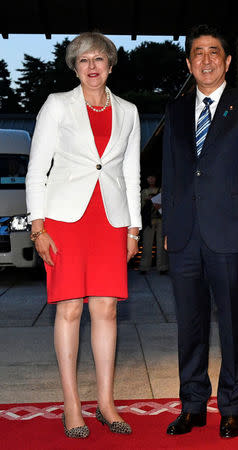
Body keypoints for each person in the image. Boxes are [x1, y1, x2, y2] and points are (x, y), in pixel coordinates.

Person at [26, 32, 141, 439]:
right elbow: (36, 169)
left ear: (110, 65)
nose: (92, 67)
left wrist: (133, 227)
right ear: (75, 68)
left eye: (99, 59)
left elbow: (130, 174)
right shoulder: (57, 105)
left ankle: (106, 403)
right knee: (70, 309)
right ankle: (71, 404)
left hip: (110, 221)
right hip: (65, 222)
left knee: (106, 310)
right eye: (83, 60)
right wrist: (37, 226)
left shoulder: (128, 111)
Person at [162, 24, 238, 439]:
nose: (205, 59)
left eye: (213, 52)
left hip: (232, 232)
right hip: (185, 234)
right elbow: (172, 175)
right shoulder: (174, 111)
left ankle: (231, 406)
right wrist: (170, 225)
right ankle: (192, 405)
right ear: (189, 63)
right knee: (189, 325)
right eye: (197, 53)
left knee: (231, 324)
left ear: (226, 61)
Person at [139, 174, 168, 274]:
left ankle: (162, 267)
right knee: (147, 244)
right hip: (148, 220)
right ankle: (144, 267)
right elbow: (140, 206)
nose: (151, 179)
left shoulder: (161, 190)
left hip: (160, 219)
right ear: (146, 179)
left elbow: (165, 203)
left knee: (161, 244)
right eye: (149, 177)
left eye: (153, 177)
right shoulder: (144, 191)